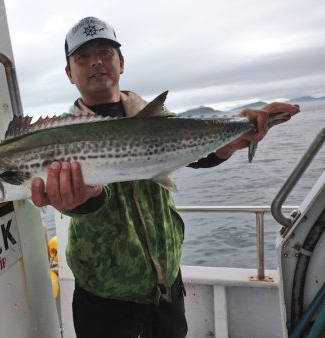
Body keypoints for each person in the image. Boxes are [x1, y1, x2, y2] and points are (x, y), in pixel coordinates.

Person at [31, 17, 300, 338]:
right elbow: (82, 202)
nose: (96, 62)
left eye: (105, 52)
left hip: (166, 282)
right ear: (68, 73)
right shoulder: (61, 136)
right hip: (104, 293)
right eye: (83, 57)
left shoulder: (153, 116)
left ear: (121, 62)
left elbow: (197, 154)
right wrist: (81, 200)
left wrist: (235, 136)